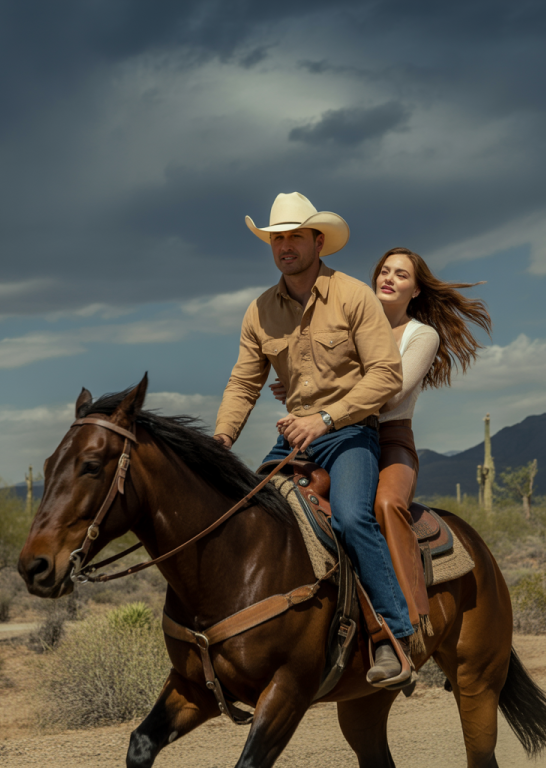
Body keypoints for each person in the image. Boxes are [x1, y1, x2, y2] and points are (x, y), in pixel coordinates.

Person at [214, 192, 416, 689]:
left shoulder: (352, 295)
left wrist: (325, 418)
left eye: (294, 237)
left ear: (317, 241)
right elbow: (244, 383)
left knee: (350, 517)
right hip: (294, 439)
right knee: (242, 518)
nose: (285, 246)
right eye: (277, 238)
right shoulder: (260, 311)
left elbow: (386, 375)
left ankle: (394, 638)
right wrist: (220, 438)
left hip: (348, 433)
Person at [272, 246, 491, 650]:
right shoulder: (353, 323)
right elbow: (321, 376)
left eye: (401, 275)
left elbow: (390, 394)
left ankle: (410, 619)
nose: (389, 278)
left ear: (417, 290)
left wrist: (323, 399)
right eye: (384, 271)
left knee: (385, 506)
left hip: (389, 439)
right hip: (334, 433)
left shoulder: (421, 335)